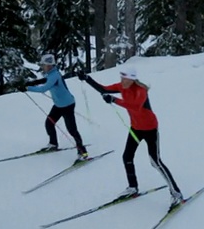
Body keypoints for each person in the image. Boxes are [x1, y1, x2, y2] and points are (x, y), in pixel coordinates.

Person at [77, 67, 184, 207]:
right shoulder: (121, 86)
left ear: (132, 79)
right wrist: (87, 78)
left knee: (155, 161)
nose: (122, 81)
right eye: (121, 78)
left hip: (150, 128)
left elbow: (135, 106)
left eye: (125, 79)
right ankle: (133, 187)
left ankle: (176, 193)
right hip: (136, 128)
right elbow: (104, 89)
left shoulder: (141, 91)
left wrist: (114, 100)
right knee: (127, 157)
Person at [20, 54, 88, 160]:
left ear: (50, 65)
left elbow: (43, 88)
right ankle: (53, 144)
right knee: (49, 123)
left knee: (72, 130)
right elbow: (45, 80)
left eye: (44, 65)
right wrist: (32, 83)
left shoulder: (54, 75)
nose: (43, 67)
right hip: (58, 105)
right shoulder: (51, 74)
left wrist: (28, 88)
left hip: (67, 105)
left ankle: (83, 153)